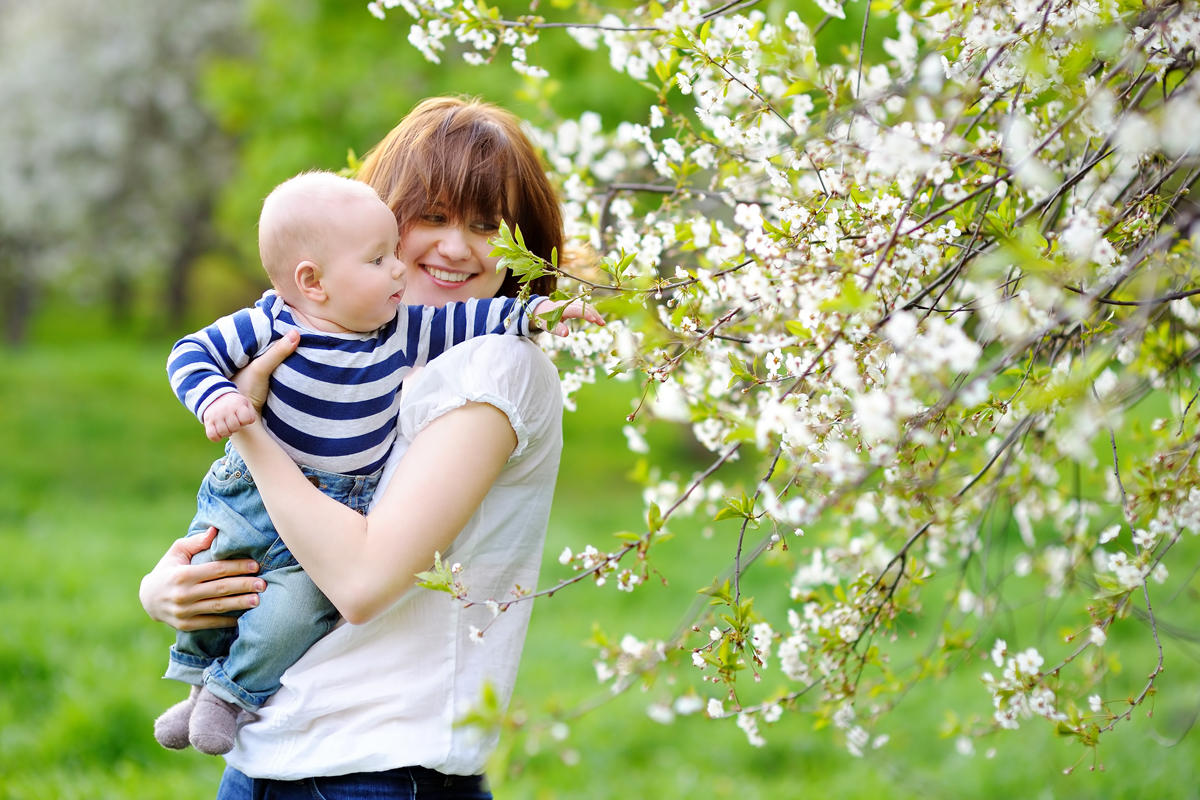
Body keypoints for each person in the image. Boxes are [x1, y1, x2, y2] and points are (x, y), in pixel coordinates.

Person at [140, 96, 580, 798]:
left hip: (373, 767)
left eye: (486, 226)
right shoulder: (361, 346)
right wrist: (170, 587)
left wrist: (251, 427)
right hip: (266, 750)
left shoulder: (496, 366)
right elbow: (277, 518)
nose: (457, 247)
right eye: (431, 216)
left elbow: (362, 581)